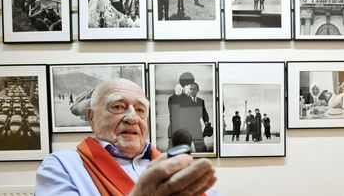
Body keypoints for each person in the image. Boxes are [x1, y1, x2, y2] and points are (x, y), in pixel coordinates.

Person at [35, 78, 216, 195]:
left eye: (140, 109)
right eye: (118, 106)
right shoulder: (62, 165)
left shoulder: (170, 163)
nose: (132, 118)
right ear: (91, 117)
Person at [178, 82, 211, 152]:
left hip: (197, 129)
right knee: (185, 150)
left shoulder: (201, 101)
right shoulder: (183, 101)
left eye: (194, 89)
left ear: (198, 90)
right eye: (190, 89)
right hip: (186, 129)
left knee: (201, 149)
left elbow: (204, 113)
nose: (192, 91)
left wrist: (206, 121)